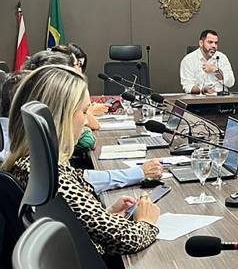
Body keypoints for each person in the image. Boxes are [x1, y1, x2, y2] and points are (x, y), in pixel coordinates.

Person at [2, 65, 160, 255]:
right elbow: (128, 239)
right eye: (84, 112)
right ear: (60, 116)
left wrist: (106, 216)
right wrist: (146, 221)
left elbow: (74, 226)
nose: (86, 121)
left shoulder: (34, 164)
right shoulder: (51, 177)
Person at [22, 49, 163, 192]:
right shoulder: (51, 176)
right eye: (76, 65)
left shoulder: (38, 162)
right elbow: (88, 140)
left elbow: (80, 178)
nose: (79, 69)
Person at [180, 29, 235, 94]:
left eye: (216, 43)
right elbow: (188, 87)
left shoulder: (222, 57)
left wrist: (216, 71)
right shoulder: (188, 60)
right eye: (210, 42)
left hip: (221, 97)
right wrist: (203, 90)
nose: (214, 46)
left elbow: (230, 83)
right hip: (199, 99)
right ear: (201, 43)